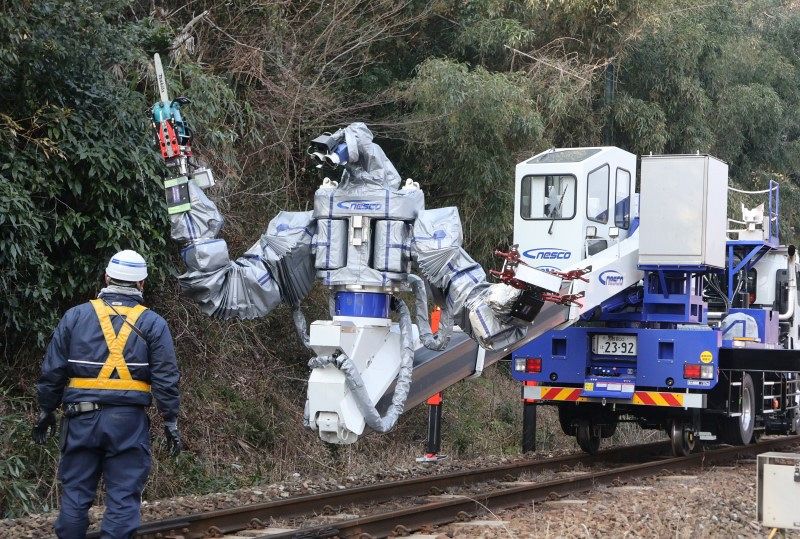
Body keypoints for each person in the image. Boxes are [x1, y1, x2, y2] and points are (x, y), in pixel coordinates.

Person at [32, 249, 183, 539]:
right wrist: (170, 420)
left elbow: (52, 370)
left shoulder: (75, 316)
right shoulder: (153, 323)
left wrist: (46, 409)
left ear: (106, 278)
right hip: (128, 423)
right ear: (141, 283)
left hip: (80, 419)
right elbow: (166, 378)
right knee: (123, 497)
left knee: (75, 495)